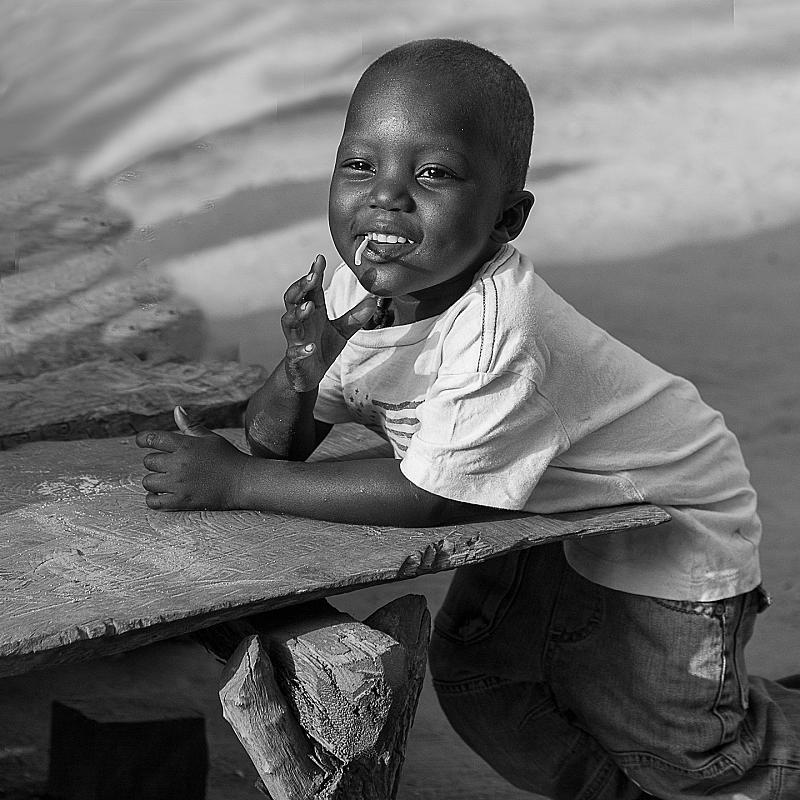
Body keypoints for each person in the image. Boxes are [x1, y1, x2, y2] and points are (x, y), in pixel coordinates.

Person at [136, 39, 800, 799]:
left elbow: (429, 498)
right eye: (360, 165)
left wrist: (235, 484)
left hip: (668, 528)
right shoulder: (362, 292)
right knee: (491, 688)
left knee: (695, 762)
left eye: (434, 174)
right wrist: (300, 371)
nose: (387, 196)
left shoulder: (497, 332)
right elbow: (278, 444)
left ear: (506, 218)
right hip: (549, 513)